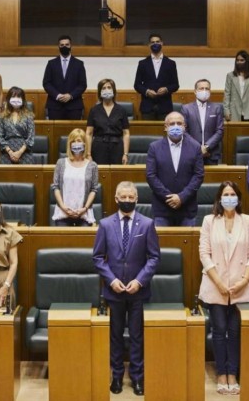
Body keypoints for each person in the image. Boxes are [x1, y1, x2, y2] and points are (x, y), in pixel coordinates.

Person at [92, 181, 161, 397]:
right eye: (124, 197)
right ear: (116, 198)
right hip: (114, 290)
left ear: (137, 199)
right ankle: (117, 376)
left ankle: (138, 378)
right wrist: (111, 280)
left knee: (137, 336)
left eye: (131, 197)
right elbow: (97, 257)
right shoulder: (104, 224)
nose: (128, 201)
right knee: (115, 336)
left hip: (137, 291)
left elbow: (154, 257)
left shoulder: (147, 224)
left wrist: (139, 281)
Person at [198, 181, 249, 396]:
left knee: (234, 332)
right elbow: (204, 253)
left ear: (239, 198)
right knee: (219, 331)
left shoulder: (248, 221)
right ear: (219, 198)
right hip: (216, 286)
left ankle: (232, 373)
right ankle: (221, 373)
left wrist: (243, 280)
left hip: (241, 285)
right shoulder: (209, 221)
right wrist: (219, 283)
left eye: (233, 194)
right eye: (226, 194)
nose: (230, 197)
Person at [146, 112, 204, 227]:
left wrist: (181, 197)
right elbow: (151, 176)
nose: (176, 126)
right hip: (162, 209)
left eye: (179, 123)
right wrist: (170, 197)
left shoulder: (195, 147)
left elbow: (199, 175)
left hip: (187, 208)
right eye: (172, 123)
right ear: (166, 127)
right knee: (162, 244)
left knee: (188, 245)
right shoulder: (154, 147)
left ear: (184, 127)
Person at [52, 129, 99, 226]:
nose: (76, 144)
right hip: (63, 212)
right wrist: (63, 207)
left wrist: (85, 208)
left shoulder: (92, 166)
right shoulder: (61, 163)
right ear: (69, 144)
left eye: (79, 141)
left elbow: (93, 190)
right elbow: (56, 187)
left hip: (84, 213)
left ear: (85, 144)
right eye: (73, 141)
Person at [134, 33, 179, 120]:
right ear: (149, 45)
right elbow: (137, 85)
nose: (155, 44)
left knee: (165, 133)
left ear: (162, 43)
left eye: (157, 42)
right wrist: (147, 91)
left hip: (165, 107)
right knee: (148, 133)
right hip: (147, 107)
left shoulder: (170, 63)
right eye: (153, 42)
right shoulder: (143, 63)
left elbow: (175, 85)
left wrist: (166, 89)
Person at [180, 79, 225, 165]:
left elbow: (220, 131)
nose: (204, 91)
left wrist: (207, 147)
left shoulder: (217, 108)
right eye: (201, 88)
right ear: (195, 91)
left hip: (211, 153)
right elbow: (184, 131)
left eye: (207, 88)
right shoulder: (186, 108)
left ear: (210, 91)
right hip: (191, 152)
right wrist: (198, 148)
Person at [42, 35, 87, 120]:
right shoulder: (51, 63)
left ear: (71, 46)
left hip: (74, 106)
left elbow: (82, 85)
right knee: (55, 133)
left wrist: (70, 95)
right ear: (58, 46)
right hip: (55, 106)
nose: (64, 46)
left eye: (67, 44)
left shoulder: (79, 64)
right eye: (62, 45)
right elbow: (46, 83)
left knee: (74, 132)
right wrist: (58, 95)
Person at [86, 78, 130, 165]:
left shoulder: (121, 110)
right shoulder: (94, 110)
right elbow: (89, 133)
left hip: (117, 147)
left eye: (109, 87)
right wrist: (88, 154)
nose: (107, 90)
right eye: (103, 88)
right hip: (99, 147)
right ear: (99, 92)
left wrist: (125, 154)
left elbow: (126, 133)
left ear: (114, 90)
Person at [0, 86, 35, 164]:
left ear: (23, 100)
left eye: (19, 97)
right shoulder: (2, 117)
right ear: (9, 99)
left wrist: (19, 152)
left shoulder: (29, 116)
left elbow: (31, 137)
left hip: (25, 152)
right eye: (13, 96)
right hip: (7, 153)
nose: (16, 99)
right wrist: (10, 152)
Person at [223, 50, 249, 122]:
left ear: (247, 61)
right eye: (237, 60)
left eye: (242, 60)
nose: (239, 62)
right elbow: (227, 94)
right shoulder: (230, 76)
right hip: (234, 110)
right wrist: (226, 111)